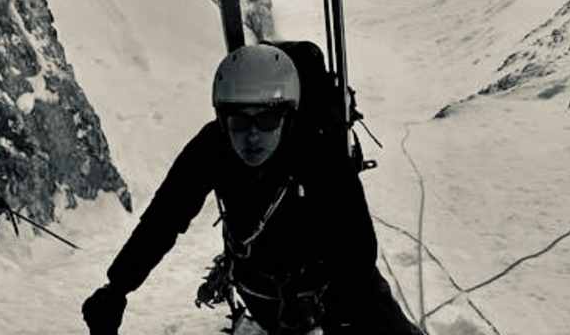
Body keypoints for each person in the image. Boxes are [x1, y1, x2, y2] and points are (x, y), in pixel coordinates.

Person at [82, 43, 421, 334]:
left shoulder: (316, 151)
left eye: (267, 119)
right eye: (240, 121)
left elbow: (356, 253)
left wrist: (349, 318)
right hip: (260, 287)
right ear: (222, 119)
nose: (253, 135)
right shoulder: (212, 146)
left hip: (327, 283)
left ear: (288, 118)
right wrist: (118, 286)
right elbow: (164, 218)